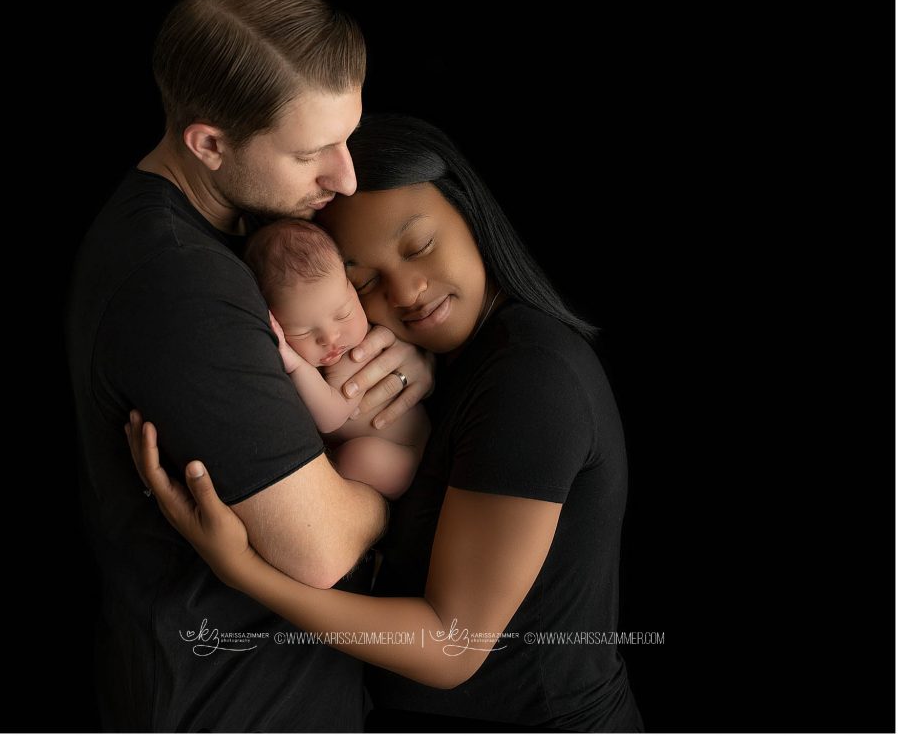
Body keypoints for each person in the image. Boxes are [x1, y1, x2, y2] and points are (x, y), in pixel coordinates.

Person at [125, 114, 645, 731]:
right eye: (363, 282)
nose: (407, 291)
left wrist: (243, 570)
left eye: (418, 246)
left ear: (469, 212)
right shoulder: (455, 366)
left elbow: (452, 647)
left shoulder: (533, 377)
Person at [65, 0, 433, 732]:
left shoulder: (236, 234)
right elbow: (322, 549)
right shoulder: (179, 282)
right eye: (312, 153)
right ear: (208, 143)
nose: (346, 175)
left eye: (347, 137)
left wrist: (394, 377)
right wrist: (402, 481)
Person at [244, 219, 430, 499]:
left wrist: (295, 364)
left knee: (357, 459)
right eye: (304, 331)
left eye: (343, 314)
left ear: (354, 291)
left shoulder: (357, 352)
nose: (331, 339)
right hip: (392, 452)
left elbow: (331, 417)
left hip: (406, 454)